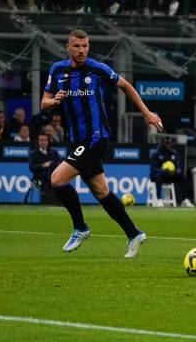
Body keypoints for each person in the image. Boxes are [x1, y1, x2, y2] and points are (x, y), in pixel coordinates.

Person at [41, 29, 163, 257]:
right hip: (77, 140)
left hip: (96, 138)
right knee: (101, 191)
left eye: (85, 46)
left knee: (56, 179)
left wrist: (146, 113)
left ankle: (80, 228)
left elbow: (125, 85)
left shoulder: (97, 69)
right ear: (68, 47)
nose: (81, 51)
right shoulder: (57, 70)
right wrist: (53, 101)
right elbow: (44, 102)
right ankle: (133, 233)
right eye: (76, 46)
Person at [149, 136, 194, 208]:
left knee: (182, 177)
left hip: (170, 175)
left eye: (169, 143)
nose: (168, 145)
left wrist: (175, 171)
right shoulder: (155, 154)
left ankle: (185, 199)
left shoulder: (173, 153)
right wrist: (163, 171)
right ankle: (159, 199)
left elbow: (178, 167)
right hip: (158, 175)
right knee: (158, 176)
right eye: (166, 143)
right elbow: (153, 169)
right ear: (162, 143)